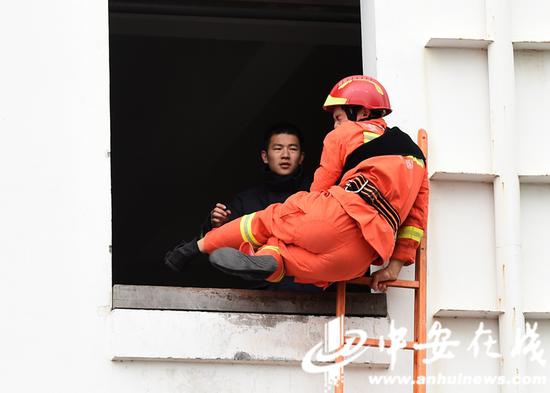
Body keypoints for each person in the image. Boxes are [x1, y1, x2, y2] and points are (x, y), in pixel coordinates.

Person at [165, 75, 429, 292]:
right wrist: (394, 266)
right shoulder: (417, 157)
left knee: (266, 220)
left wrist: (302, 212)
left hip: (335, 219)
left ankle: (193, 247)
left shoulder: (345, 134)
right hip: (361, 256)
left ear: (361, 112)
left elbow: (320, 189)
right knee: (289, 261)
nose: (335, 124)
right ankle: (271, 258)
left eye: (338, 117)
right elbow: (415, 222)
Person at [197, 123, 320, 292]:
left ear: (301, 157)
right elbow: (224, 250)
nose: (285, 155)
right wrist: (218, 225)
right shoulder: (247, 200)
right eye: (278, 149)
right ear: (265, 156)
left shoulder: (318, 195)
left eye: (292, 149)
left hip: (312, 290)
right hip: (260, 296)